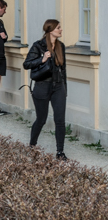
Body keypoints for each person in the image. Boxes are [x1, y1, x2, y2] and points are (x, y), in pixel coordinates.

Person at [23, 19, 68, 160]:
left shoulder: (61, 47)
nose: (61, 30)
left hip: (58, 87)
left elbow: (63, 69)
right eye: (58, 28)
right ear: (50, 30)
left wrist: (65, 89)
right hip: (42, 86)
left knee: (60, 120)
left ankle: (60, 152)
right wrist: (42, 59)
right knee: (41, 119)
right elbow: (26, 64)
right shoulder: (38, 46)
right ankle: (32, 146)